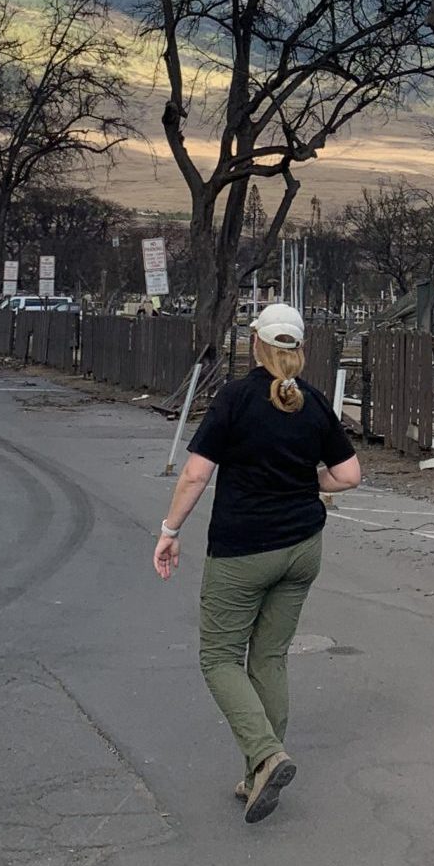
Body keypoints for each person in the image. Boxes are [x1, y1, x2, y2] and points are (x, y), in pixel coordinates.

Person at [153, 303, 361, 824]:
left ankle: (267, 755)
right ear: (299, 348)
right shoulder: (313, 403)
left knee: (219, 657)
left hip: (244, 550)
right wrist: (303, 481)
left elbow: (196, 476)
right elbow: (350, 475)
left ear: (255, 344)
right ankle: (256, 775)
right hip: (301, 548)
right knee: (268, 658)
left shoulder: (236, 399)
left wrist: (169, 531)